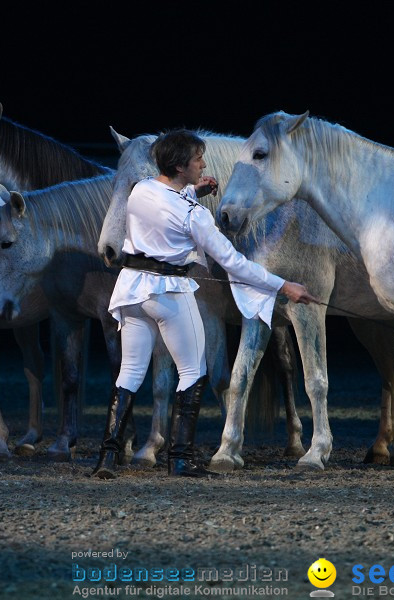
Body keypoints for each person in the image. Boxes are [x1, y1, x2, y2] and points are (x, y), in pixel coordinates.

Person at [92, 129, 316, 479]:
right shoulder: (194, 215)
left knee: (130, 373)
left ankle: (106, 457)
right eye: (198, 159)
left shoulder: (140, 192)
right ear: (181, 166)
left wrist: (194, 192)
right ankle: (180, 458)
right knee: (193, 372)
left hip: (132, 291)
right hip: (169, 295)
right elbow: (233, 262)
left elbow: (164, 203)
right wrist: (283, 285)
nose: (204, 164)